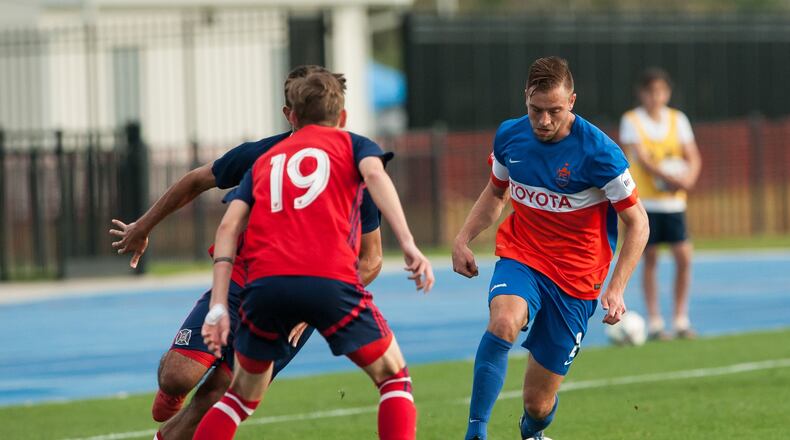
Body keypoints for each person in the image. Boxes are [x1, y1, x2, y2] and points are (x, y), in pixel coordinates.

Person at [108, 66, 390, 440]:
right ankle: (170, 390)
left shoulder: (356, 167)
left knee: (218, 395)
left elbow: (371, 258)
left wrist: (319, 304)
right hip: (247, 277)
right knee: (180, 376)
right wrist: (143, 226)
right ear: (290, 115)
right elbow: (196, 181)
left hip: (298, 297)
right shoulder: (264, 155)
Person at [195, 71, 433, 440]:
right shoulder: (354, 145)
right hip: (329, 279)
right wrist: (408, 243)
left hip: (264, 287)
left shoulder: (265, 160)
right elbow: (375, 175)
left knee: (238, 399)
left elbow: (227, 229)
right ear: (342, 117)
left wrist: (220, 305)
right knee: (393, 379)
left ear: (292, 116)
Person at [452, 56, 649, 440]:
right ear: (525, 97)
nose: (543, 121)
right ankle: (475, 432)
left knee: (537, 404)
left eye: (554, 111)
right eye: (535, 110)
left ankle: (533, 432)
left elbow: (638, 222)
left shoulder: (599, 153)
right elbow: (496, 195)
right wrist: (462, 239)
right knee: (504, 321)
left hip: (577, 280)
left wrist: (617, 286)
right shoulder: (510, 136)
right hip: (522, 256)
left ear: (572, 101)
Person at [619, 67, 702, 340]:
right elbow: (643, 160)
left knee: (683, 257)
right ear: (642, 94)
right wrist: (671, 178)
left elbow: (693, 156)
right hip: (646, 203)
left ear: (667, 93)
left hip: (674, 204)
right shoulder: (632, 120)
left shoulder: (678, 120)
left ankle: (680, 318)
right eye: (650, 91)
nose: (655, 97)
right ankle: (655, 321)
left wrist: (687, 179)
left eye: (660, 91)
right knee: (650, 258)